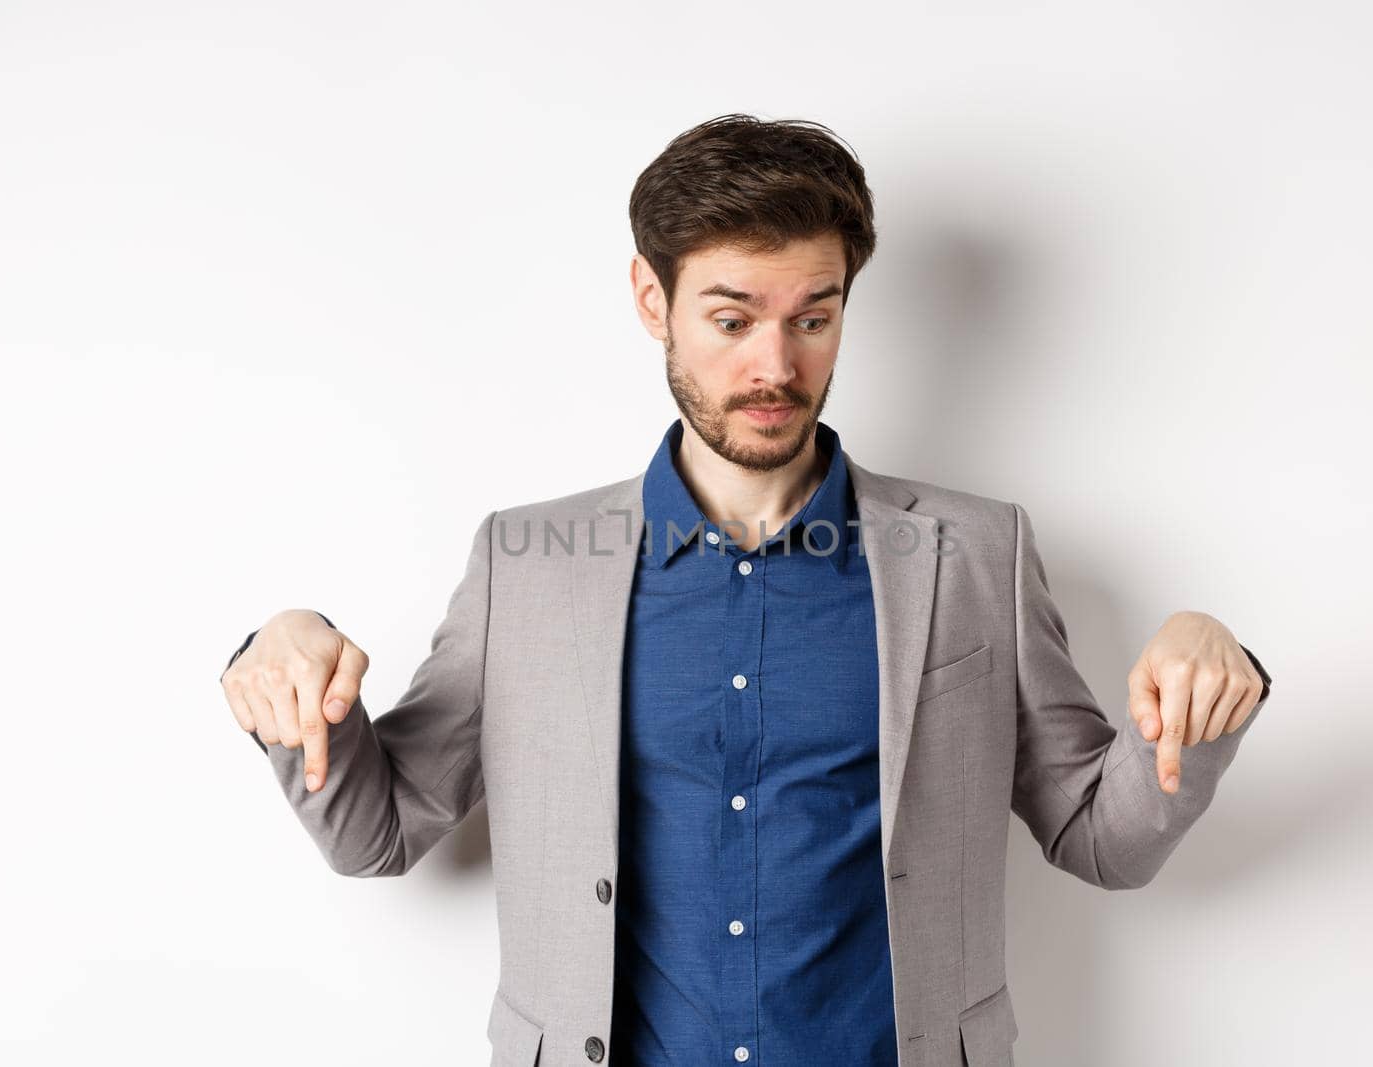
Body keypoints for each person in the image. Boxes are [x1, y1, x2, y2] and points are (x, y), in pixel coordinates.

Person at [219, 113, 1272, 1067]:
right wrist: (287, 665)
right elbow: (377, 830)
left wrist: (1197, 688)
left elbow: (1102, 836)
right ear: (652, 300)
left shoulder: (974, 554)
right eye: (732, 320)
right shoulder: (524, 563)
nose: (776, 365)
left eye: (812, 318)